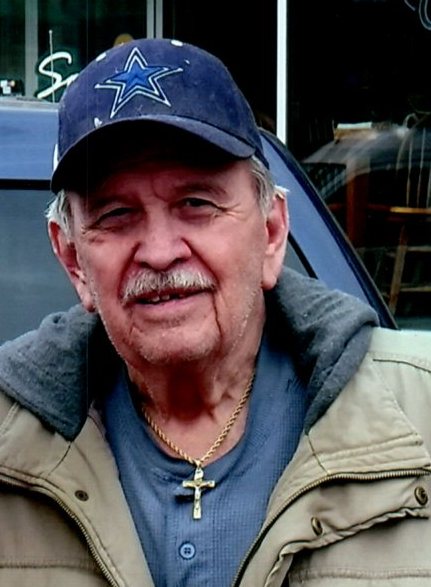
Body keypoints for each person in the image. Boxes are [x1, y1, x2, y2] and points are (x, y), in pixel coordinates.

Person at [0, 38, 430, 587]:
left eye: (196, 204)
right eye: (116, 214)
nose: (160, 252)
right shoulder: (9, 448)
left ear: (271, 232)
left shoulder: (420, 412)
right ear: (72, 259)